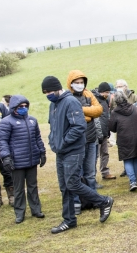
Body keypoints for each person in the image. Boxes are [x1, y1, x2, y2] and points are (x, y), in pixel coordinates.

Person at [42, 76, 114, 234]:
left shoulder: (70, 102)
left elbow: (78, 126)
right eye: (45, 93)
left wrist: (63, 142)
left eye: (49, 91)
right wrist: (53, 142)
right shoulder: (53, 105)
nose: (48, 94)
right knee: (64, 186)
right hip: (61, 151)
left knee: (73, 183)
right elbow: (53, 127)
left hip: (73, 150)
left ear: (57, 88)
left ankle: (104, 201)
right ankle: (69, 220)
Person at [0, 95, 46, 223]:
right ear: (14, 107)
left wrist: (42, 152)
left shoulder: (32, 120)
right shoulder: (6, 122)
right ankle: (19, 212)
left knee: (33, 186)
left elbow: (37, 138)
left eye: (25, 106)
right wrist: (6, 157)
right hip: (16, 161)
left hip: (31, 160)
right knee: (18, 189)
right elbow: (2, 142)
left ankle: (36, 209)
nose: (24, 108)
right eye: (20, 107)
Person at [66, 70, 103, 215]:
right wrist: (89, 114)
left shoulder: (89, 94)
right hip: (76, 142)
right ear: (71, 83)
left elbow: (98, 110)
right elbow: (71, 117)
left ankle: (94, 200)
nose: (80, 85)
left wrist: (81, 111)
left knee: (90, 173)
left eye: (82, 82)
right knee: (77, 173)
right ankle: (76, 202)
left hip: (91, 139)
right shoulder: (67, 98)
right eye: (77, 82)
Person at [109, 91, 137, 192]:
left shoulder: (115, 112)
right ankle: (134, 181)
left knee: (128, 159)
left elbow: (112, 128)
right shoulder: (134, 108)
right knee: (135, 158)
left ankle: (132, 181)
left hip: (124, 138)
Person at [93, 82, 116, 180]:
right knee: (94, 156)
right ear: (101, 91)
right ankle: (91, 177)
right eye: (106, 92)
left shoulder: (105, 101)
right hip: (95, 133)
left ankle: (105, 172)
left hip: (104, 132)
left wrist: (108, 131)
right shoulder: (93, 100)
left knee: (105, 153)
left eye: (108, 92)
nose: (107, 94)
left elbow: (106, 117)